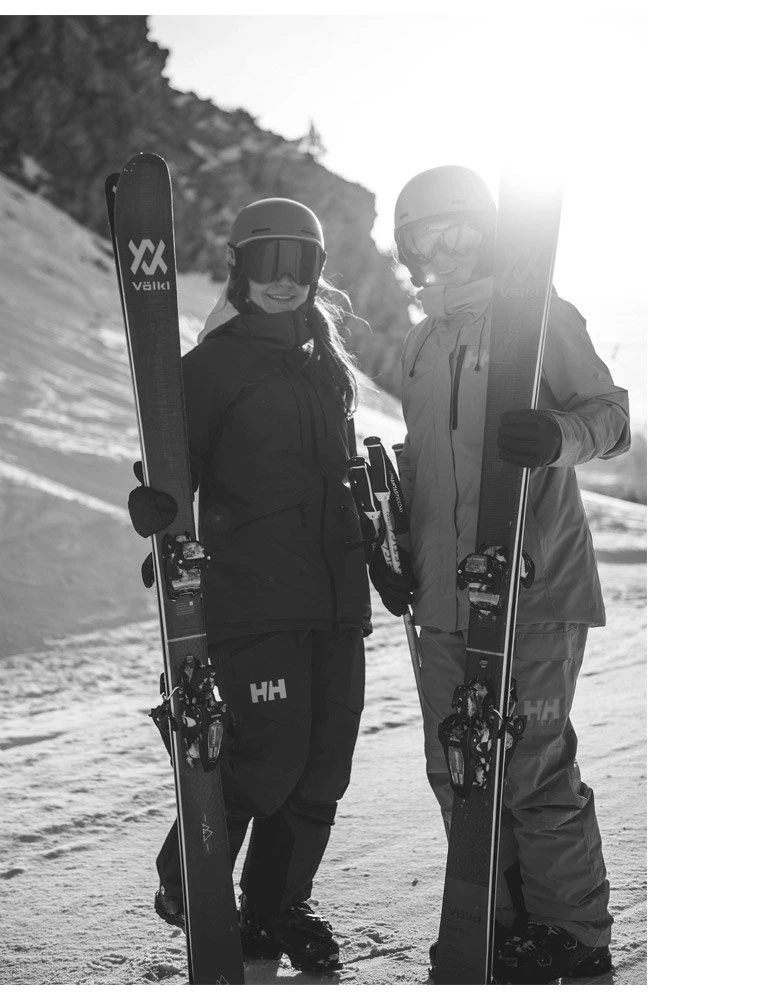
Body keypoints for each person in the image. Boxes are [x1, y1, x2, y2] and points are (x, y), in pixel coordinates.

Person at [369, 165, 631, 984]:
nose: (444, 247)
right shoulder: (421, 343)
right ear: (409, 249)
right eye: (426, 236)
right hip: (445, 599)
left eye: (459, 229)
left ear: (485, 232)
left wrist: (557, 436)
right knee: (459, 767)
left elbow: (611, 415)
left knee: (530, 768)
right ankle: (500, 924)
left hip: (536, 585)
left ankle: (574, 935)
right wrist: (396, 552)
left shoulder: (537, 311)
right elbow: (428, 462)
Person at [127, 197, 371, 975]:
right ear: (238, 269)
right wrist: (159, 513)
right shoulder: (209, 367)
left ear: (317, 271)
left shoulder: (325, 365)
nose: (283, 278)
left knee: (323, 767)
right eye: (267, 261)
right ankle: (190, 882)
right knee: (266, 756)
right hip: (251, 596)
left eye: (300, 263)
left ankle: (276, 907)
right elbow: (170, 467)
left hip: (336, 601)